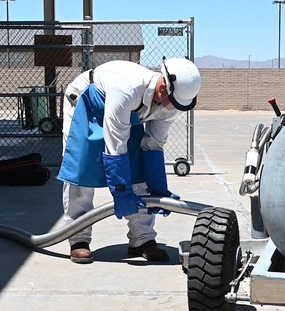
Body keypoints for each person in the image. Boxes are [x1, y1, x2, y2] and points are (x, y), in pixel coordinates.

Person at [57, 57, 201, 264]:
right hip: (86, 101)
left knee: (138, 169)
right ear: (162, 88)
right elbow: (115, 147)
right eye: (172, 102)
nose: (173, 108)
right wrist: (121, 191)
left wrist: (158, 188)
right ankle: (78, 238)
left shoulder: (174, 103)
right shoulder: (127, 88)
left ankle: (142, 239)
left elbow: (153, 146)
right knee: (81, 170)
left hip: (126, 112)